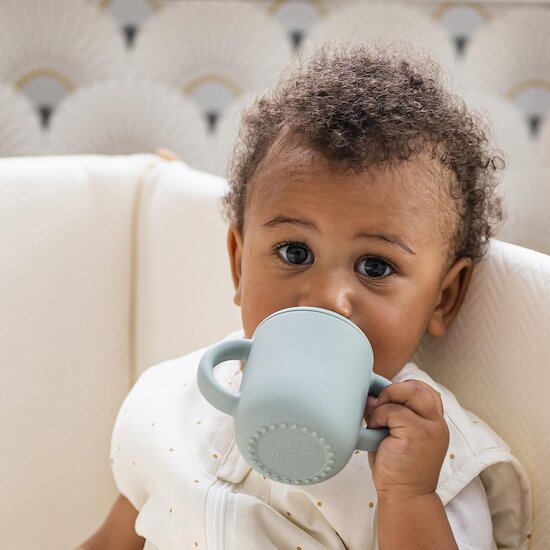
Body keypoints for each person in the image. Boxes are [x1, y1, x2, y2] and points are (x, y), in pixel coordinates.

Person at [77, 40, 531, 549]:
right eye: (295, 252)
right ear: (238, 262)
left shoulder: (428, 461)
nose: (326, 296)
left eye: (375, 266)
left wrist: (409, 497)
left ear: (443, 298)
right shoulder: (170, 401)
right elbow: (118, 537)